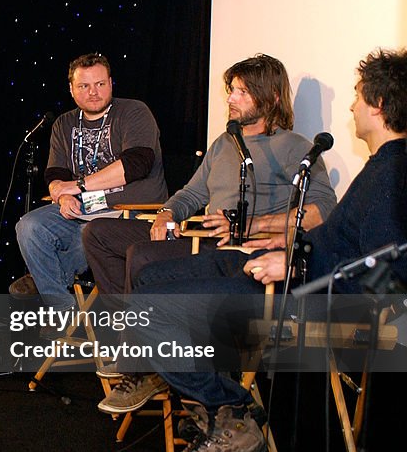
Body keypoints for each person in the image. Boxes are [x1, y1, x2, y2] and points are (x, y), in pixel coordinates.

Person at [100, 48, 407, 452]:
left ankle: (230, 410)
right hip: (269, 270)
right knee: (149, 278)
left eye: (358, 96)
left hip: (309, 308)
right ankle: (218, 408)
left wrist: (296, 266)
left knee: (153, 307)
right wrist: (291, 253)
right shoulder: (382, 170)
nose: (353, 106)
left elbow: (387, 278)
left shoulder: (391, 177)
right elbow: (341, 244)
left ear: (377, 106)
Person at [82, 54, 338, 295]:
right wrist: (166, 214)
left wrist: (255, 225)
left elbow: (322, 210)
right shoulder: (225, 142)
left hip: (242, 248)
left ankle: (135, 328)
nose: (230, 99)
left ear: (271, 99)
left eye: (242, 92)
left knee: (142, 255)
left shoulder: (295, 146)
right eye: (231, 91)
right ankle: (121, 319)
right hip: (202, 238)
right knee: (97, 232)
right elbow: (192, 194)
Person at [14, 53, 168, 305]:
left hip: (127, 212)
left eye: (100, 84)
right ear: (71, 89)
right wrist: (62, 194)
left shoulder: (134, 111)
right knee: (28, 226)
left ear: (111, 83)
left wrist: (76, 186)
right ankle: (62, 310)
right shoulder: (64, 123)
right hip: (83, 208)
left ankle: (45, 281)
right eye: (84, 86)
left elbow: (136, 165)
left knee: (91, 232)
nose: (93, 92)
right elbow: (55, 174)